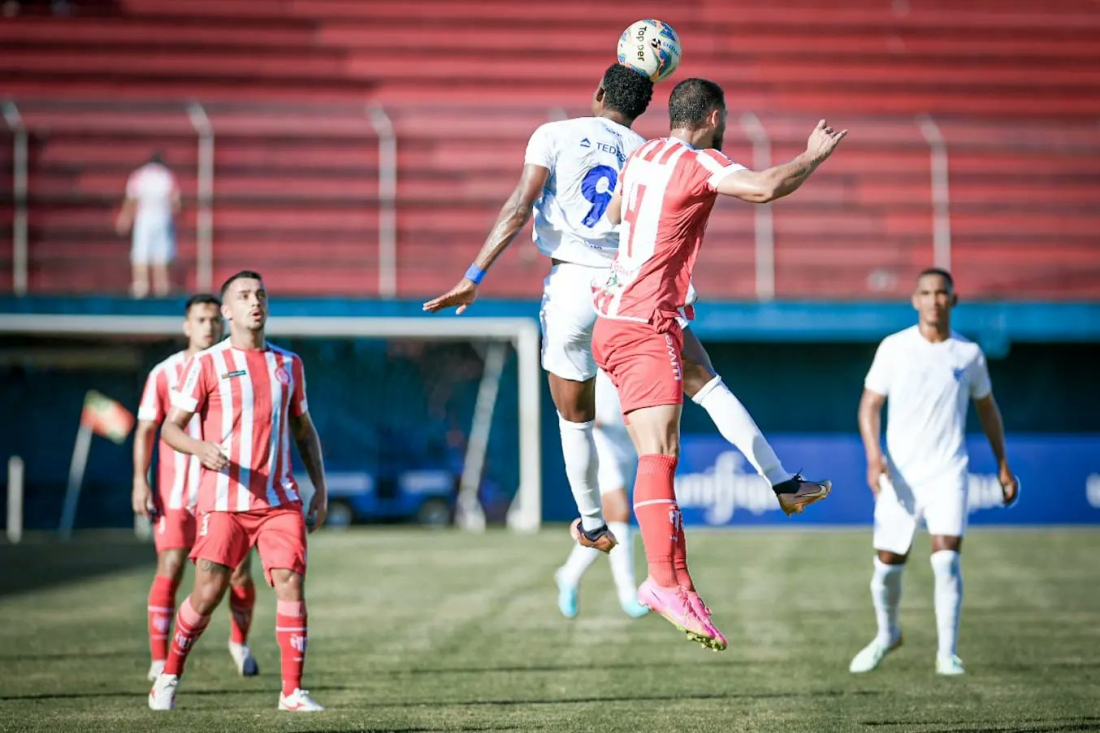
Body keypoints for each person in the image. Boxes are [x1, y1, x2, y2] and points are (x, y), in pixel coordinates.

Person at [423, 65, 832, 558]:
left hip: (571, 284)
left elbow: (518, 206)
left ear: (598, 93)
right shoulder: (649, 151)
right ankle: (781, 478)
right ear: (643, 110)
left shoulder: (554, 133)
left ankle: (593, 523)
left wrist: (474, 276)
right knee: (705, 382)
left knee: (574, 417)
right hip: (629, 286)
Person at [592, 78, 845, 650]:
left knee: (709, 385)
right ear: (712, 116)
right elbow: (762, 189)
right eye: (724, 118)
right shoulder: (698, 159)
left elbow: (609, 216)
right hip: (642, 325)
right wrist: (812, 156)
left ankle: (781, 485)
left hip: (627, 315)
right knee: (658, 456)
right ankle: (660, 581)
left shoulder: (642, 155)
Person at [148, 270, 329, 712]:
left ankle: (292, 692)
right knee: (208, 593)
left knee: (290, 582)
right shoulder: (206, 363)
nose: (255, 302)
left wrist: (319, 489)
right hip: (224, 501)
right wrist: (199, 448)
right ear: (227, 311)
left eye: (261, 294)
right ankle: (168, 676)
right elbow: (171, 428)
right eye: (244, 296)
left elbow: (303, 429)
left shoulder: (289, 365)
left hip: (278, 499)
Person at [849, 268, 1018, 676]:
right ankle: (888, 634)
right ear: (915, 300)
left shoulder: (968, 355)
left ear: (953, 300)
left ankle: (947, 654)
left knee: (946, 561)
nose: (933, 300)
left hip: (948, 473)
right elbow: (869, 405)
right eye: (925, 292)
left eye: (941, 293)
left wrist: (1002, 464)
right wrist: (875, 457)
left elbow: (987, 408)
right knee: (888, 566)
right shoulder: (894, 348)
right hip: (901, 476)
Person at [133, 294, 257, 682]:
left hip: (226, 492)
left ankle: (239, 642)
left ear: (222, 323)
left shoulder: (237, 366)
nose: (207, 327)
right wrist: (141, 480)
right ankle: (158, 660)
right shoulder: (164, 373)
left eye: (212, 320)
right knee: (169, 567)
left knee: (238, 574)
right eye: (199, 320)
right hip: (177, 495)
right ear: (187, 326)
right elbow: (147, 430)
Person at [554, 369, 648, 619]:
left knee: (608, 521)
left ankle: (569, 574)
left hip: (627, 439)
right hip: (600, 436)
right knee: (620, 512)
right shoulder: (597, 339)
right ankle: (628, 593)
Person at [116, 152, 180, 299]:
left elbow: (132, 198)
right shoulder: (166, 175)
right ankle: (161, 286)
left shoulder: (140, 175)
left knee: (141, 251)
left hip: (144, 218)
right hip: (162, 217)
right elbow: (174, 199)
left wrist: (125, 217)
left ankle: (141, 285)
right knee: (161, 253)